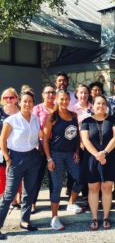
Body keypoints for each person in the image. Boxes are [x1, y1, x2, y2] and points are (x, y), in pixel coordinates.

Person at [0, 91, 42, 240]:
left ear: (33, 103)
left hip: (32, 157)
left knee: (29, 192)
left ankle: (25, 221)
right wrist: (7, 158)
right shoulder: (11, 120)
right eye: (25, 101)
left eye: (30, 101)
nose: (27, 104)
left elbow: (38, 137)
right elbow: (2, 140)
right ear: (19, 102)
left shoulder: (35, 119)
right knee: (9, 195)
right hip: (16, 158)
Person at [43, 90, 82, 230]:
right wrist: (49, 159)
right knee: (57, 185)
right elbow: (45, 140)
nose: (65, 102)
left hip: (71, 153)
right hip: (56, 154)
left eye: (67, 99)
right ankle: (54, 218)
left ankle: (71, 203)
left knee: (81, 178)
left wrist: (77, 151)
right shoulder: (51, 117)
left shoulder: (74, 115)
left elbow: (77, 136)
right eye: (62, 99)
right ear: (57, 100)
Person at [81, 95, 115, 230]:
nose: (101, 106)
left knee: (107, 188)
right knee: (93, 188)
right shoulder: (86, 121)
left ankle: (106, 217)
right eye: (98, 103)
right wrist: (97, 154)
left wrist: (104, 153)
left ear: (106, 106)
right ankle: (94, 217)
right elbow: (85, 140)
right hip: (91, 159)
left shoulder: (113, 120)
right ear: (93, 105)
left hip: (109, 158)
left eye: (103, 103)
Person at [31, 85, 56, 214]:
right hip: (40, 146)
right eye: (48, 92)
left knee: (54, 176)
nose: (50, 95)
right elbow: (34, 124)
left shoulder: (58, 108)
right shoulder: (37, 108)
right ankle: (32, 202)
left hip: (56, 146)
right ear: (42, 94)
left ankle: (54, 202)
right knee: (37, 176)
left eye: (52, 92)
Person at [0, 88, 21, 208]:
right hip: (1, 147)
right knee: (2, 173)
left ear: (16, 99)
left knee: (17, 173)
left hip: (17, 148)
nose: (8, 100)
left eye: (11, 97)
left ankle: (15, 199)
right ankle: (3, 197)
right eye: (5, 97)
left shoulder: (20, 112)